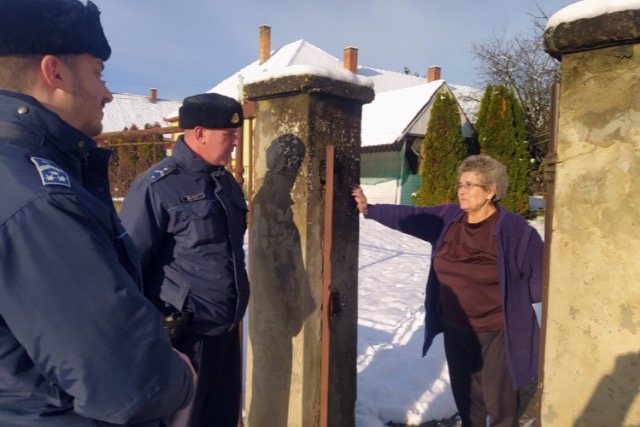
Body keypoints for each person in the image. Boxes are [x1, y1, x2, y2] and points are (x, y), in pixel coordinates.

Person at [0, 1, 195, 426]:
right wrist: (182, 375)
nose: (107, 92)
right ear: (55, 73)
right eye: (98, 72)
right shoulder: (37, 197)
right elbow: (129, 381)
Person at [351, 154, 543, 427]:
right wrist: (369, 209)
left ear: (491, 191)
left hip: (498, 330)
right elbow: (413, 215)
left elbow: (543, 278)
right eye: (460, 184)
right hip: (457, 327)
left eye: (470, 185)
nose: (461, 190)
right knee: (467, 399)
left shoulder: (515, 231)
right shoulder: (449, 218)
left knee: (500, 403)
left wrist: (512, 298)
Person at [119, 93, 250, 427]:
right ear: (201, 133)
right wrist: (150, 335)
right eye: (229, 134)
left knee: (221, 417)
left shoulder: (225, 182)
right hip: (183, 337)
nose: (236, 141)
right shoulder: (157, 186)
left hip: (226, 329)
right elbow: (128, 265)